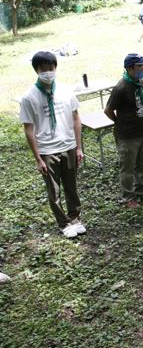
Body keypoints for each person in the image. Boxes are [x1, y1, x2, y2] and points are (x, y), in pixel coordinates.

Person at [20, 51, 85, 239]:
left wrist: (78, 147)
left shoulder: (65, 91)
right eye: (43, 69)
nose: (48, 72)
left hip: (68, 146)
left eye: (51, 68)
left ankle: (75, 218)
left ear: (55, 68)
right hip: (48, 150)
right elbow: (29, 129)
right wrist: (38, 158)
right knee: (54, 189)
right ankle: (63, 222)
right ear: (36, 71)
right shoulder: (29, 97)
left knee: (71, 185)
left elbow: (76, 118)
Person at [104, 53, 143, 208]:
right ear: (129, 68)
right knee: (127, 167)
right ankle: (128, 196)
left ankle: (141, 188)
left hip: (142, 131)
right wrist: (119, 123)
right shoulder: (121, 88)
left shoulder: (141, 82)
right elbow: (108, 110)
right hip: (127, 135)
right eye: (139, 66)